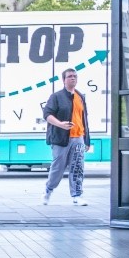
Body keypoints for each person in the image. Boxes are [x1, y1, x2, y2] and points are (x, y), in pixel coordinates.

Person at [42, 67, 89, 207]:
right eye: (69, 76)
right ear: (64, 80)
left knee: (78, 167)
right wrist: (60, 124)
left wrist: (87, 139)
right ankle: (48, 190)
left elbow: (84, 119)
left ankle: (77, 195)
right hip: (61, 139)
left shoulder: (80, 96)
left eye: (75, 76)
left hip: (78, 137)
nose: (73, 78)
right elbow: (47, 115)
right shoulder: (56, 97)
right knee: (58, 167)